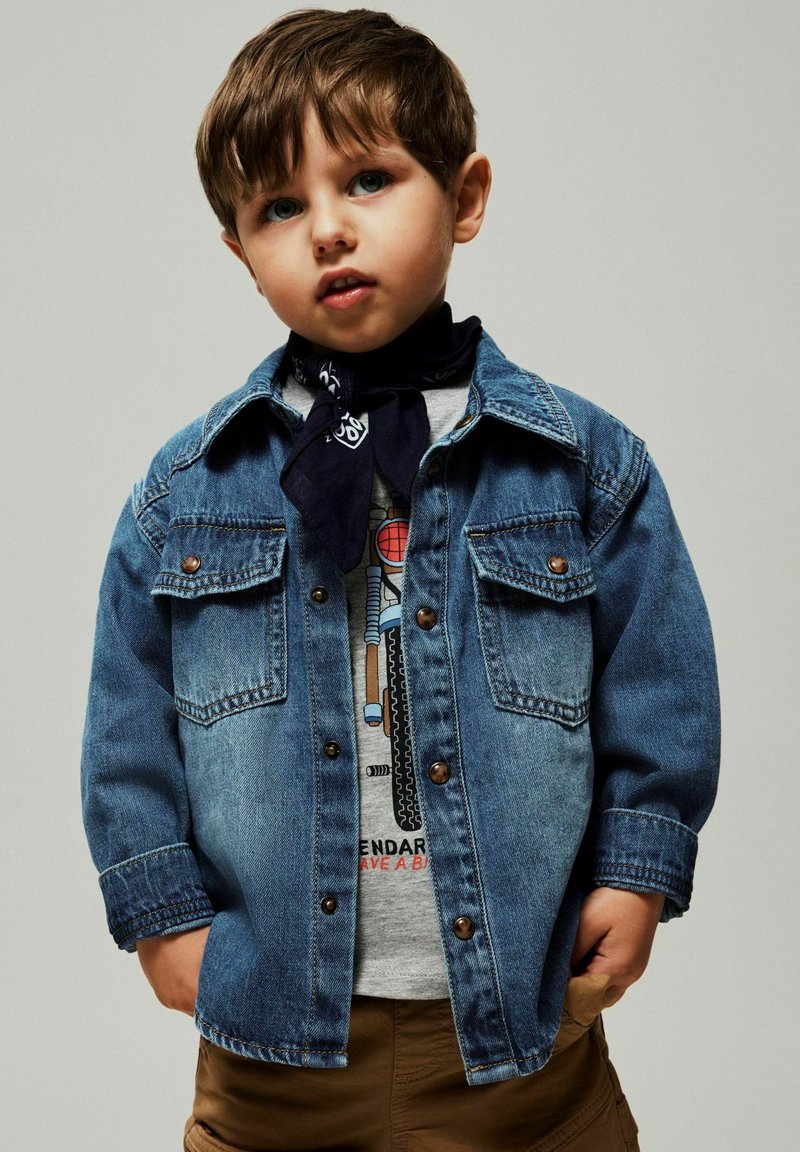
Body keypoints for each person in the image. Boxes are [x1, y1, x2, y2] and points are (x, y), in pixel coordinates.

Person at [79, 9, 720, 1151]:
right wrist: (162, 917)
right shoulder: (187, 492)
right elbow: (127, 721)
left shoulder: (582, 466)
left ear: (464, 196)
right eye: (279, 207)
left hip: (524, 1049)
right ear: (239, 251)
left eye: (368, 180)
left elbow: (656, 686)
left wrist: (637, 870)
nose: (328, 229)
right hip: (273, 1058)